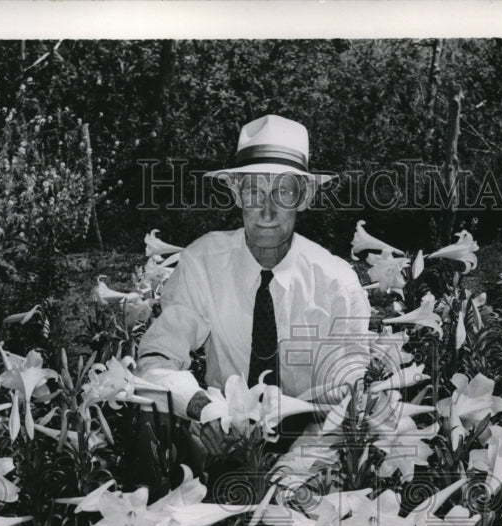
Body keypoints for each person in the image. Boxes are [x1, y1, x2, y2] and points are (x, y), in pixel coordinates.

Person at [135, 114, 371, 493]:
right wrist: (204, 409)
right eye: (254, 192)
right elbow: (154, 362)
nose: (266, 211)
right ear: (235, 192)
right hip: (219, 441)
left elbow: (344, 402)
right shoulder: (203, 261)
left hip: (308, 453)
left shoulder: (337, 283)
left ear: (304, 198)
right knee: (148, 412)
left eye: (284, 193)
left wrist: (287, 476)